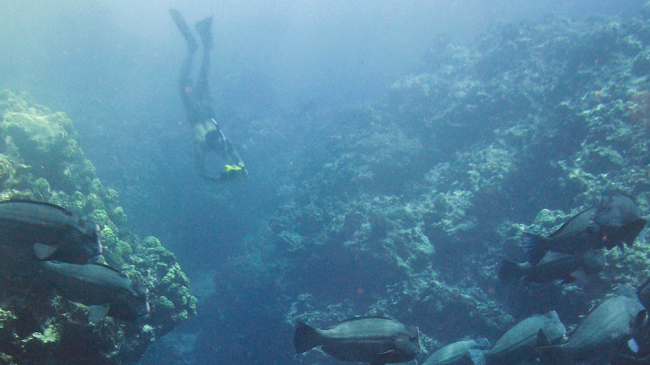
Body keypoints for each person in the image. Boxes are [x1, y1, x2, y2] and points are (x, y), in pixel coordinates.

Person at [169, 8, 247, 183]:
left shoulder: (217, 142)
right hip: (196, 112)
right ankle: (194, 46)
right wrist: (219, 177)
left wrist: (241, 165)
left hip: (206, 109)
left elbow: (229, 151)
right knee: (186, 80)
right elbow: (200, 171)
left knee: (203, 76)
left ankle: (204, 42)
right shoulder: (204, 146)